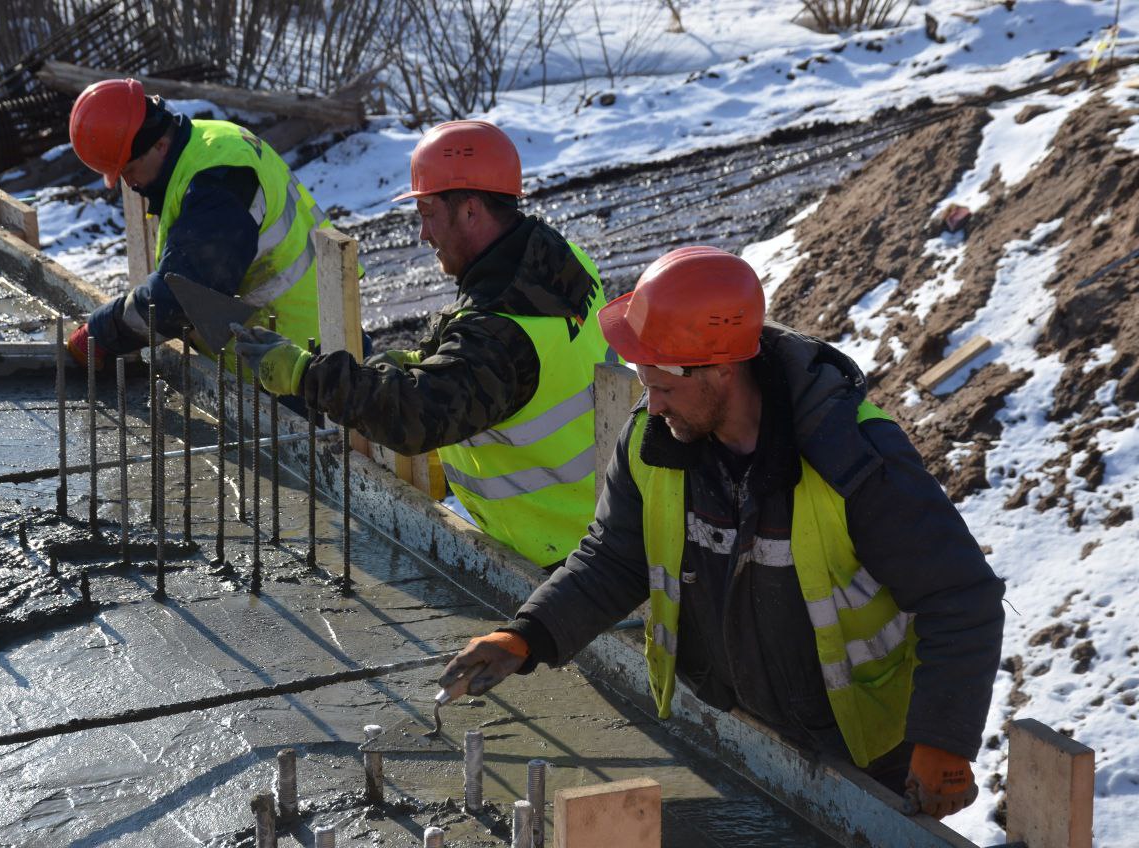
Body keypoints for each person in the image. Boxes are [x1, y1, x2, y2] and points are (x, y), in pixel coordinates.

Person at [435, 246, 1005, 819]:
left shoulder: (854, 458)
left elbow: (961, 597)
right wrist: (528, 636)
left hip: (866, 751)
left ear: (722, 369)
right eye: (645, 384)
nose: (650, 406)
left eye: (664, 387)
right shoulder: (655, 441)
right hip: (743, 732)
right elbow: (613, 558)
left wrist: (943, 742)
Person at [233, 120, 611, 568]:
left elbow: (412, 417)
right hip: (601, 520)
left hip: (563, 554)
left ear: (471, 211)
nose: (422, 234)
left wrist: (303, 374)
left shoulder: (501, 330)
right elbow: (486, 361)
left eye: (428, 214)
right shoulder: (554, 262)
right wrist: (424, 360)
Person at [64, 78, 327, 369]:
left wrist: (102, 332)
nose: (130, 184)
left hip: (301, 362)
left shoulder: (219, 183)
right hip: (288, 346)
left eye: (130, 169)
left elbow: (179, 302)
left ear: (160, 145)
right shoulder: (202, 145)